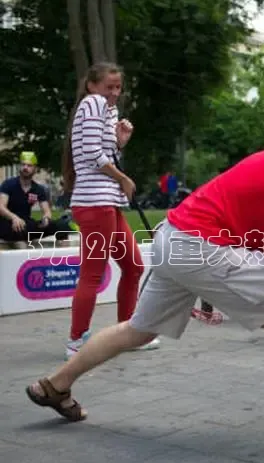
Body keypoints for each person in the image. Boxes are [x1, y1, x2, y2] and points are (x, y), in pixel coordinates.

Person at [24, 115, 264, 448]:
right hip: (200, 243)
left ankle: (56, 385)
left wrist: (254, 299)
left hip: (176, 238)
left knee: (140, 329)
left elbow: (263, 229)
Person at [61, 62, 160, 359]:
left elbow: (103, 152)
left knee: (133, 266)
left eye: (118, 87)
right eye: (109, 87)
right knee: (93, 273)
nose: (115, 93)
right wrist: (123, 178)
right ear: (92, 85)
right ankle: (76, 340)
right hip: (95, 203)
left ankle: (127, 333)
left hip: (108, 203)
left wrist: (119, 142)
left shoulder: (107, 110)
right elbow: (92, 155)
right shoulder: (92, 103)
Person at [0, 151, 73, 246]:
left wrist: (46, 218)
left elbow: (47, 211)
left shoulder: (38, 189)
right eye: (23, 165)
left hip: (26, 225)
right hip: (8, 225)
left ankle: (64, 254)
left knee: (62, 226)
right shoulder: (8, 184)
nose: (25, 168)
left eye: (29, 166)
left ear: (35, 168)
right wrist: (14, 218)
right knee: (19, 232)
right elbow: (1, 207)